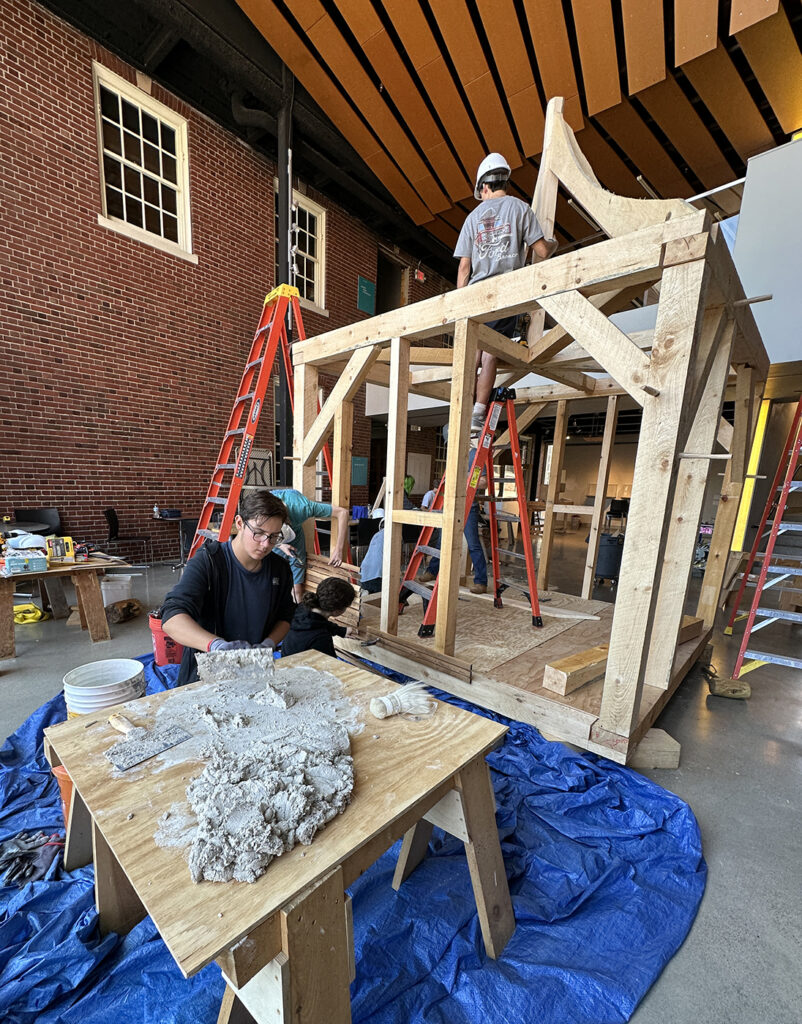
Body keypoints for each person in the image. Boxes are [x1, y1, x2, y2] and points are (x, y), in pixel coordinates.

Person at [455, 153, 558, 433]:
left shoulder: (472, 218)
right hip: (505, 293)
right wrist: (553, 243)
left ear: (484, 186)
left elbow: (464, 268)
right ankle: (477, 414)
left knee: (472, 351)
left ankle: (460, 408)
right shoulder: (521, 209)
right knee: (490, 352)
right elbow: (541, 251)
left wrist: (457, 309)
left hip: (476, 295)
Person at [161, 490, 295, 685]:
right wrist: (216, 645)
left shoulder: (279, 569)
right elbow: (171, 618)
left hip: (254, 671)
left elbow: (286, 616)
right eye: (258, 533)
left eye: (274, 537)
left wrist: (268, 644)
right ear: (239, 523)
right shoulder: (209, 562)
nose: (266, 544)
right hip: (206, 676)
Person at [418, 450, 488, 594]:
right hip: (450, 505)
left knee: (473, 544)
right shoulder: (453, 454)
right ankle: (432, 571)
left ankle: (481, 582)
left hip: (469, 506)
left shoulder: (474, 454)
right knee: (441, 542)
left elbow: (483, 483)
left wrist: (463, 476)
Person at [270, 488, 349, 602]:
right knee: (274, 582)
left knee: (297, 587)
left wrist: (339, 549)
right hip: (272, 540)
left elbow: (343, 512)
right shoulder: (261, 514)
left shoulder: (302, 508)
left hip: (294, 535)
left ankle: (297, 616)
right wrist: (279, 545)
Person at [282, 577, 356, 659]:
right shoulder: (321, 637)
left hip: (285, 660)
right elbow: (331, 665)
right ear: (337, 611)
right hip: (299, 669)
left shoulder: (302, 608)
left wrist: (342, 631)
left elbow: (320, 623)